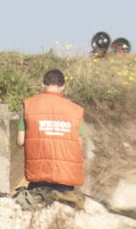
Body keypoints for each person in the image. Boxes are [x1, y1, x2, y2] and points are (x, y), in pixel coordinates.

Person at [19, 68, 89, 207]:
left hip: (38, 173)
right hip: (65, 176)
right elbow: (79, 143)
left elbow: (20, 141)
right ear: (63, 86)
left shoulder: (28, 105)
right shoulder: (76, 110)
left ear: (43, 84)